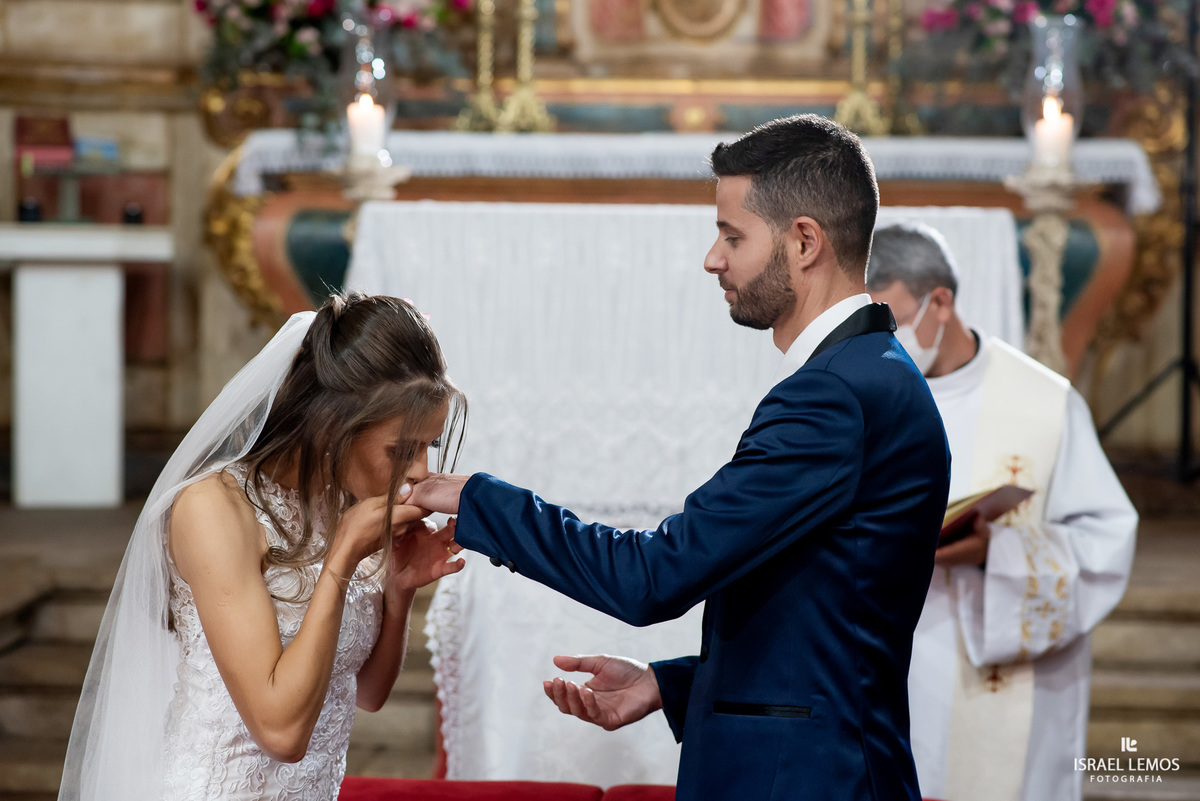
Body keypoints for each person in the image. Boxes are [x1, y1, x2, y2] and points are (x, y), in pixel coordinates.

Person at [408, 115, 950, 800]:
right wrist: (671, 684)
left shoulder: (834, 397)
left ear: (804, 240)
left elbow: (652, 577)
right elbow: (831, 621)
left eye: (732, 235)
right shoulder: (870, 372)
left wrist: (477, 500)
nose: (712, 258)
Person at [60, 294, 467, 800]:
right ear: (335, 427)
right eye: (402, 450)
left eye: (429, 445)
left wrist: (399, 590)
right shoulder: (213, 508)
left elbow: (366, 692)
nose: (423, 471)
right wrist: (341, 558)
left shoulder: (344, 497)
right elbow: (281, 733)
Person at [865, 222, 1138, 801]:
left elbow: (1105, 543)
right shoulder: (860, 394)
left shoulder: (1042, 400)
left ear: (940, 301)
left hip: (1002, 667)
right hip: (889, 662)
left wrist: (999, 551)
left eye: (889, 318)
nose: (879, 339)